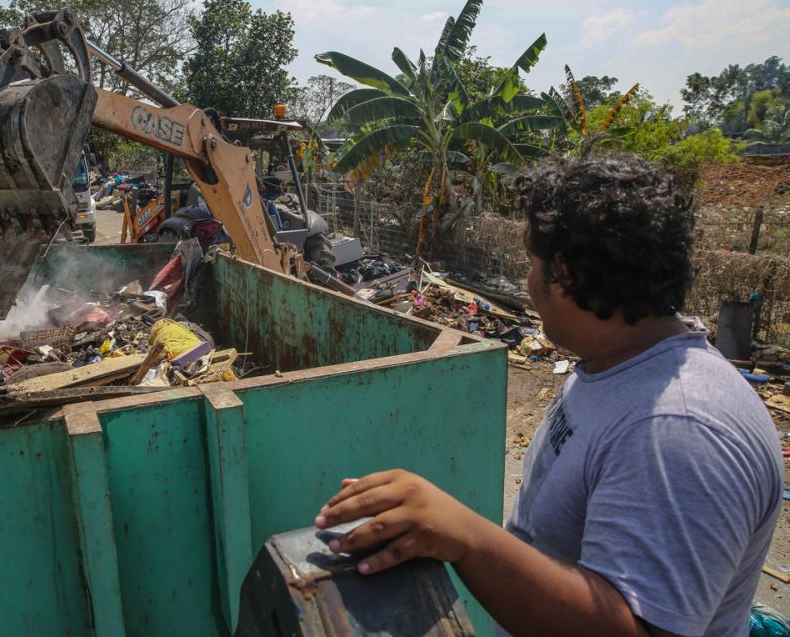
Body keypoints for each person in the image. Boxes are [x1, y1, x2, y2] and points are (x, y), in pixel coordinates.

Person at [314, 157, 783, 637]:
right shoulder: (619, 365)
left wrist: (467, 540)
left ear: (564, 274)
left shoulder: (676, 429)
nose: (527, 281)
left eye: (533, 264)